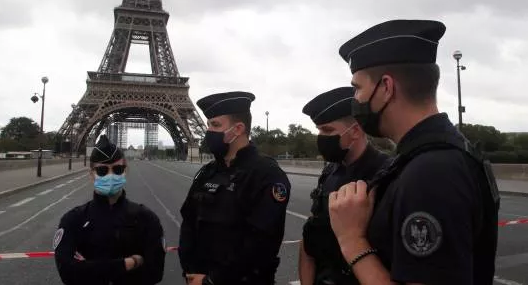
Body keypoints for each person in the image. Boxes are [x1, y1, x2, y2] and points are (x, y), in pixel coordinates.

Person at [327, 19, 500, 284]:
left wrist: (351, 240)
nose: (356, 101)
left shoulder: (432, 173)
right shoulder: (431, 157)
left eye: (358, 88)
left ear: (386, 88)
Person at [178, 91, 291, 285]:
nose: (208, 132)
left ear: (238, 129)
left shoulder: (267, 174)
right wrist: (190, 271)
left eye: (215, 125)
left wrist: (212, 281)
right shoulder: (207, 172)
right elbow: (188, 222)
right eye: (208, 125)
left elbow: (260, 243)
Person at [299, 86, 390, 285]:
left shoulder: (385, 174)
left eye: (327, 130)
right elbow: (309, 240)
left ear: (355, 131)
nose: (321, 137)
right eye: (319, 130)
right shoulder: (329, 172)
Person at [53, 135, 165, 285]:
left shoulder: (147, 219)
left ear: (125, 171)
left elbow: (155, 273)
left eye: (117, 169)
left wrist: (90, 268)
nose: (110, 175)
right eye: (102, 171)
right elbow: (68, 274)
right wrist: (129, 263)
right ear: (92, 175)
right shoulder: (72, 220)